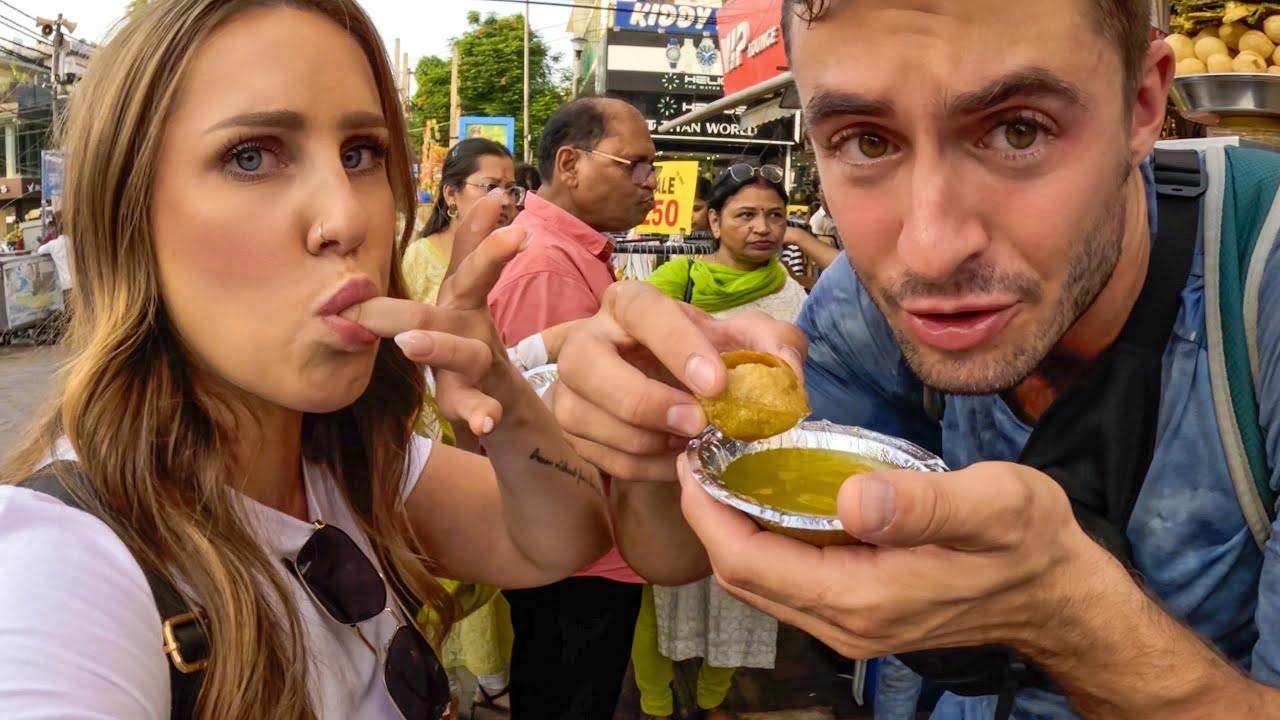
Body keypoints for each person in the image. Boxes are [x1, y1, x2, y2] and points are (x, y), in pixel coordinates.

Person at [543, 0, 1280, 719]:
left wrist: (1070, 620)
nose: (928, 250)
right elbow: (673, 556)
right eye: (866, 142)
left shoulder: (1260, 281)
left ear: (1144, 103)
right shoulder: (861, 307)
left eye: (1019, 130)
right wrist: (656, 442)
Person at [0, 2, 641, 718]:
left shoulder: (346, 461)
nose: (349, 218)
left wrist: (499, 387)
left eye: (362, 153)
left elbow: (563, 539)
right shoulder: (59, 572)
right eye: (252, 156)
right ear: (127, 214)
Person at [488, 96, 659, 720]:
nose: (649, 184)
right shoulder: (547, 269)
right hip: (578, 552)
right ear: (570, 163)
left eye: (652, 168)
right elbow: (545, 433)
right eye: (634, 165)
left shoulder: (569, 256)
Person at [631, 159, 808, 720]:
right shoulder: (673, 283)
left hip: (759, 468)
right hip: (677, 460)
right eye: (746, 214)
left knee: (744, 587)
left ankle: (712, 697)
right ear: (713, 220)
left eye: (776, 216)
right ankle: (656, 703)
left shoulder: (795, 294)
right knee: (662, 590)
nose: (763, 228)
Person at [403, 137, 522, 306]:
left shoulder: (515, 256)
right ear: (451, 194)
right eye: (491, 187)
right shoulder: (418, 259)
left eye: (511, 190)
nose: (506, 201)